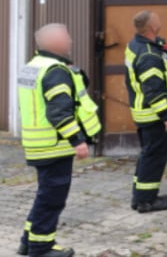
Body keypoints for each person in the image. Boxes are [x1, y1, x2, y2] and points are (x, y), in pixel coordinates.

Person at [17, 23, 101, 257]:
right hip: (54, 146)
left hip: (38, 145)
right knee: (52, 198)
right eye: (67, 37)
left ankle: (28, 242)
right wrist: (77, 140)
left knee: (45, 194)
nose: (71, 41)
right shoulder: (54, 71)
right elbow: (59, 112)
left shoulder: (34, 66)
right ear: (55, 42)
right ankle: (41, 248)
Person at [125, 10, 167, 213]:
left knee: (147, 155)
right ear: (150, 27)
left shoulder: (138, 45)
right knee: (154, 157)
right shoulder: (149, 55)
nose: (160, 21)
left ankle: (140, 196)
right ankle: (146, 201)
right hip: (154, 116)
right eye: (157, 20)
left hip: (145, 114)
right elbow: (154, 90)